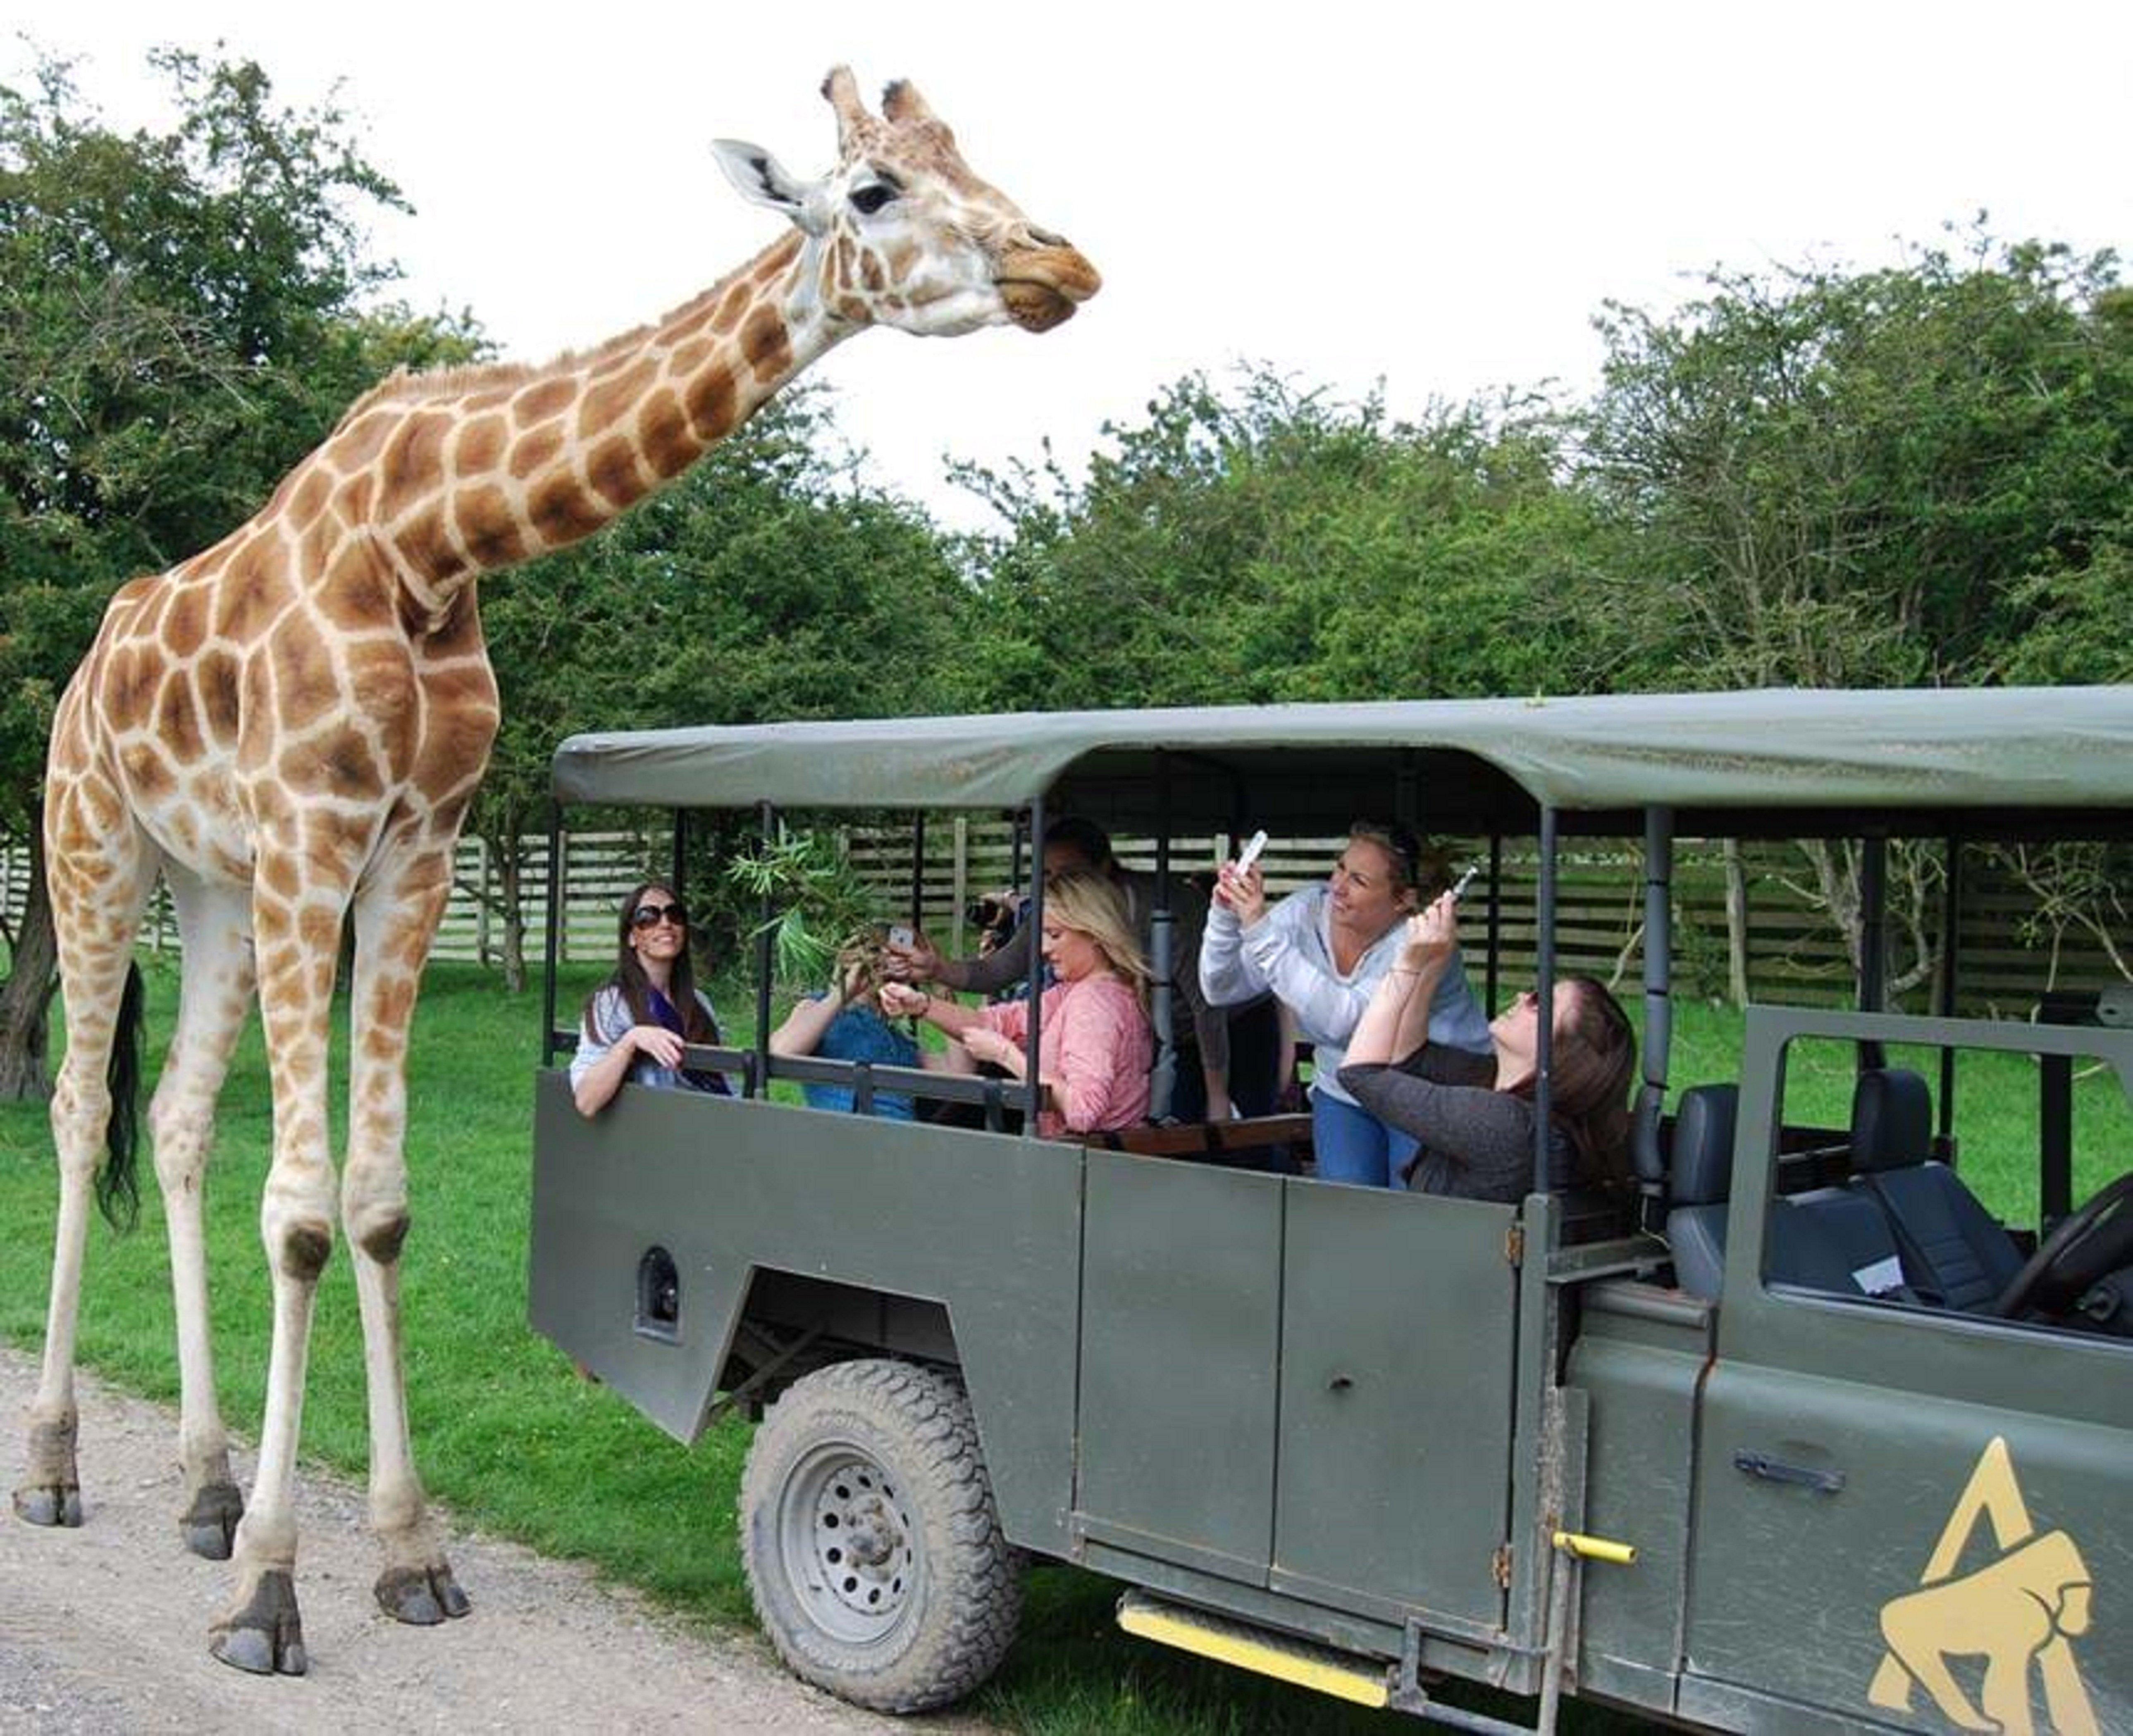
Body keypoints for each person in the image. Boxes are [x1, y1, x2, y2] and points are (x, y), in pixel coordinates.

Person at [1201, 821, 1491, 1188]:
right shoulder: (1306, 911)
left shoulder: (1423, 940)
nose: (1337, 886)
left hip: (1429, 1091)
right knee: (1348, 1213)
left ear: (1403, 900)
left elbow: (1343, 1022)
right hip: (1345, 1088)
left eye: (1359, 881)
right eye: (1340, 867)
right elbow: (1221, 989)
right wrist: (1225, 918)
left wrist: (1260, 931)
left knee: (1414, 1212)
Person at [888, 817, 1237, 1119]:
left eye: (1054, 935)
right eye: (1045, 874)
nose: (1042, 947)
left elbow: (1208, 1007)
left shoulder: (1105, 994)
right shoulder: (1070, 989)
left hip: (1212, 1030)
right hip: (1141, 1047)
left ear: (1101, 870)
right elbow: (999, 988)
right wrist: (929, 987)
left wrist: (1219, 1098)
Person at [1337, 892, 1635, 1201]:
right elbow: (1411, 1059)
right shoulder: (1492, 1081)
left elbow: (1360, 1074)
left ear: (1564, 1052)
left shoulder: (1506, 1124)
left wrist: (1407, 962)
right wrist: (1433, 964)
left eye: (1538, 1002)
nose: (1522, 997)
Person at [880, 869, 1152, 1138]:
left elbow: (1082, 1111)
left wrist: (1005, 1055)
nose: (1044, 948)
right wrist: (922, 1005)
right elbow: (996, 1023)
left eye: (1055, 935)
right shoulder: (1079, 991)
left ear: (1095, 933)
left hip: (1089, 1164)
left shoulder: (1095, 1004)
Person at [570, 882, 732, 1117]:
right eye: (648, 917)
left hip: (704, 1127)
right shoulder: (611, 1004)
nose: (665, 924)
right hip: (649, 1133)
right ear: (632, 937)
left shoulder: (700, 1003)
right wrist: (631, 1042)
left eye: (674, 915)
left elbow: (727, 1084)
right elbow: (587, 1101)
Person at [769, 928, 922, 1119]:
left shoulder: (896, 1031)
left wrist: (940, 987)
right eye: (877, 958)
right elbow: (781, 1052)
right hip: (846, 1132)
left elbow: (956, 1071)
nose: (885, 969)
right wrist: (846, 990)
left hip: (904, 1137)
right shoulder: (819, 1008)